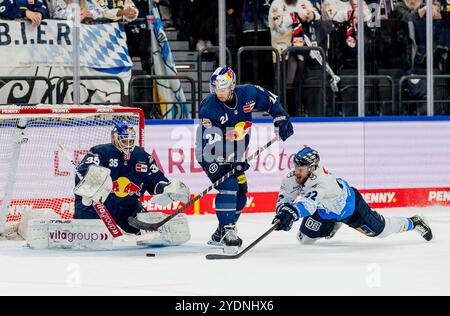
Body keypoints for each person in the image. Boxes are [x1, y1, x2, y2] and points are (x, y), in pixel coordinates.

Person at [195, 67, 294, 252]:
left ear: (232, 86)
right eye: (216, 89)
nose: (220, 93)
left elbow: (272, 101)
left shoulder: (248, 93)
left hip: (235, 152)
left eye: (223, 89)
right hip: (209, 154)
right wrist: (232, 159)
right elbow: (212, 145)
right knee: (229, 185)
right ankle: (227, 232)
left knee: (241, 190)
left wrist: (281, 118)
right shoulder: (209, 106)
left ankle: (221, 231)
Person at [273, 146, 433, 244]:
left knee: (382, 231)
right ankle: (333, 224)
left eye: (302, 168)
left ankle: (414, 222)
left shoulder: (322, 181)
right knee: (304, 240)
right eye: (296, 166)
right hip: (323, 211)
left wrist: (291, 213)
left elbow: (308, 204)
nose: (297, 172)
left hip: (350, 209)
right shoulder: (291, 178)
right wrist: (282, 213)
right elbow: (285, 197)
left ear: (313, 168)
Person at [74, 121, 190, 235]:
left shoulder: (142, 156)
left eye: (131, 140)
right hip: (99, 205)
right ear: (115, 139)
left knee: (154, 234)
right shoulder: (101, 152)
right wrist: (92, 183)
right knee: (87, 235)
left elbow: (154, 179)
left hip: (127, 207)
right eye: (125, 141)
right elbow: (83, 173)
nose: (128, 144)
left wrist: (167, 188)